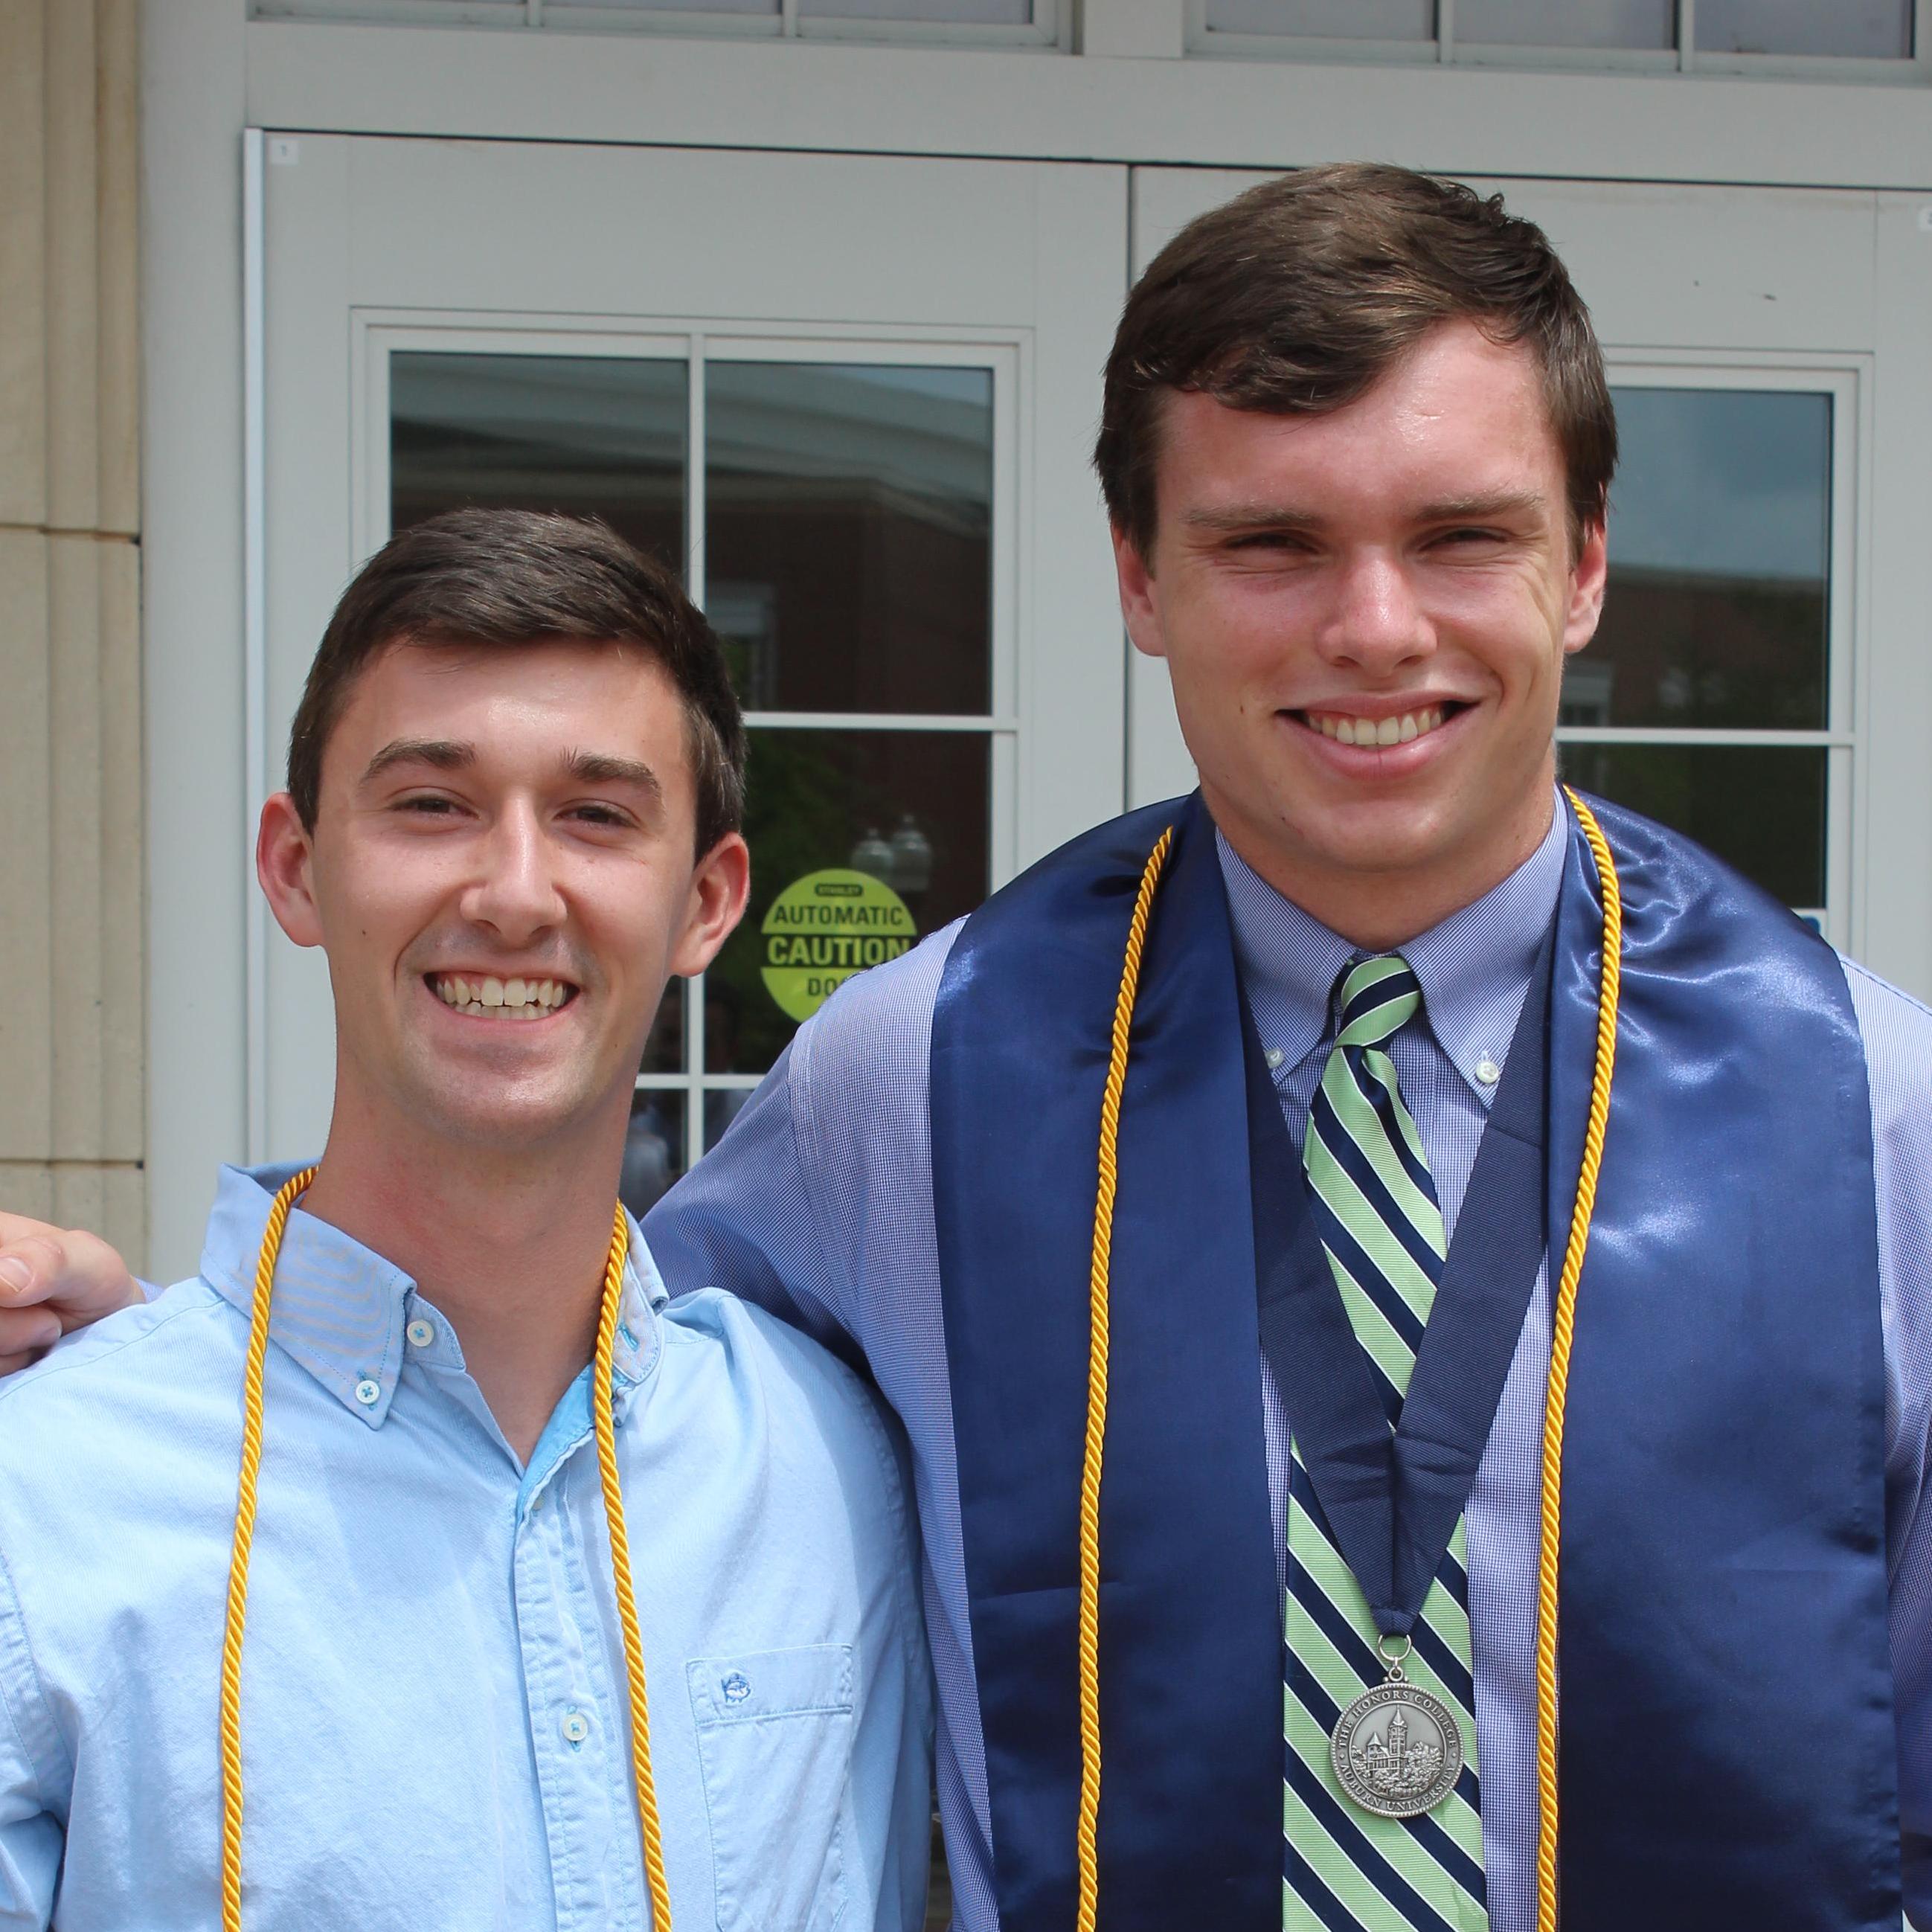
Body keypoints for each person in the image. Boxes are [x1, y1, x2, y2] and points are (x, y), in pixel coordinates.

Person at [5, 163, 1928, 1932]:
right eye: (1268, 539)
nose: (1371, 625)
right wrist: (165, 1359)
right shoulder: (920, 1078)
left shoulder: (1872, 1114)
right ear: (1139, 577)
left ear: (1582, 564)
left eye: (1459, 536)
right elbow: (551, 1385)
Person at [0, 510, 933, 1929]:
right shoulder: (49, 1494)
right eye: (431, 803)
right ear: (297, 867)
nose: (512, 893)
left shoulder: (838, 1462)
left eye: (597, 815)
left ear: (706, 901)